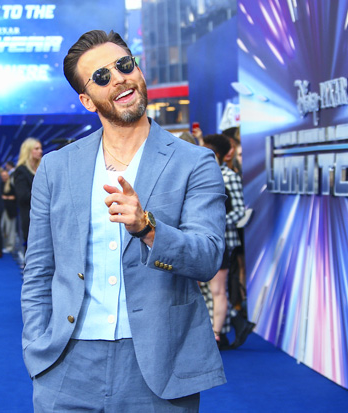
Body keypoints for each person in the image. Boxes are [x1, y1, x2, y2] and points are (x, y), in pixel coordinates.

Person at [21, 30, 226, 411]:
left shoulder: (194, 162)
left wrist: (148, 229)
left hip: (161, 366)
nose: (118, 78)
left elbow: (208, 258)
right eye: (101, 76)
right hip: (66, 366)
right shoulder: (56, 167)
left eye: (124, 65)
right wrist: (37, 345)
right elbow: (38, 269)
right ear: (87, 100)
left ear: (139, 70)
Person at [201, 133, 254, 350]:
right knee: (209, 290)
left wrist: (217, 223)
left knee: (218, 289)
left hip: (223, 240)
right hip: (205, 239)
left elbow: (239, 210)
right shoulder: (203, 173)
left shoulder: (229, 177)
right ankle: (231, 324)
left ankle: (219, 333)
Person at [13, 137, 42, 246]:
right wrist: (44, 195)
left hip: (44, 214)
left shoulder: (42, 167)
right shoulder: (21, 170)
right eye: (36, 149)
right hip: (30, 215)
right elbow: (22, 196)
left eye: (40, 148)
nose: (40, 151)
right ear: (28, 151)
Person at [0, 167, 17, 254]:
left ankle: (10, 246)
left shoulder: (11, 185)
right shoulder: (0, 185)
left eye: (5, 176)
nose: (4, 177)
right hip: (2, 210)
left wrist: (6, 197)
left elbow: (15, 197)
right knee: (2, 228)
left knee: (10, 229)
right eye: (2, 176)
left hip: (10, 210)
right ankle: (4, 245)